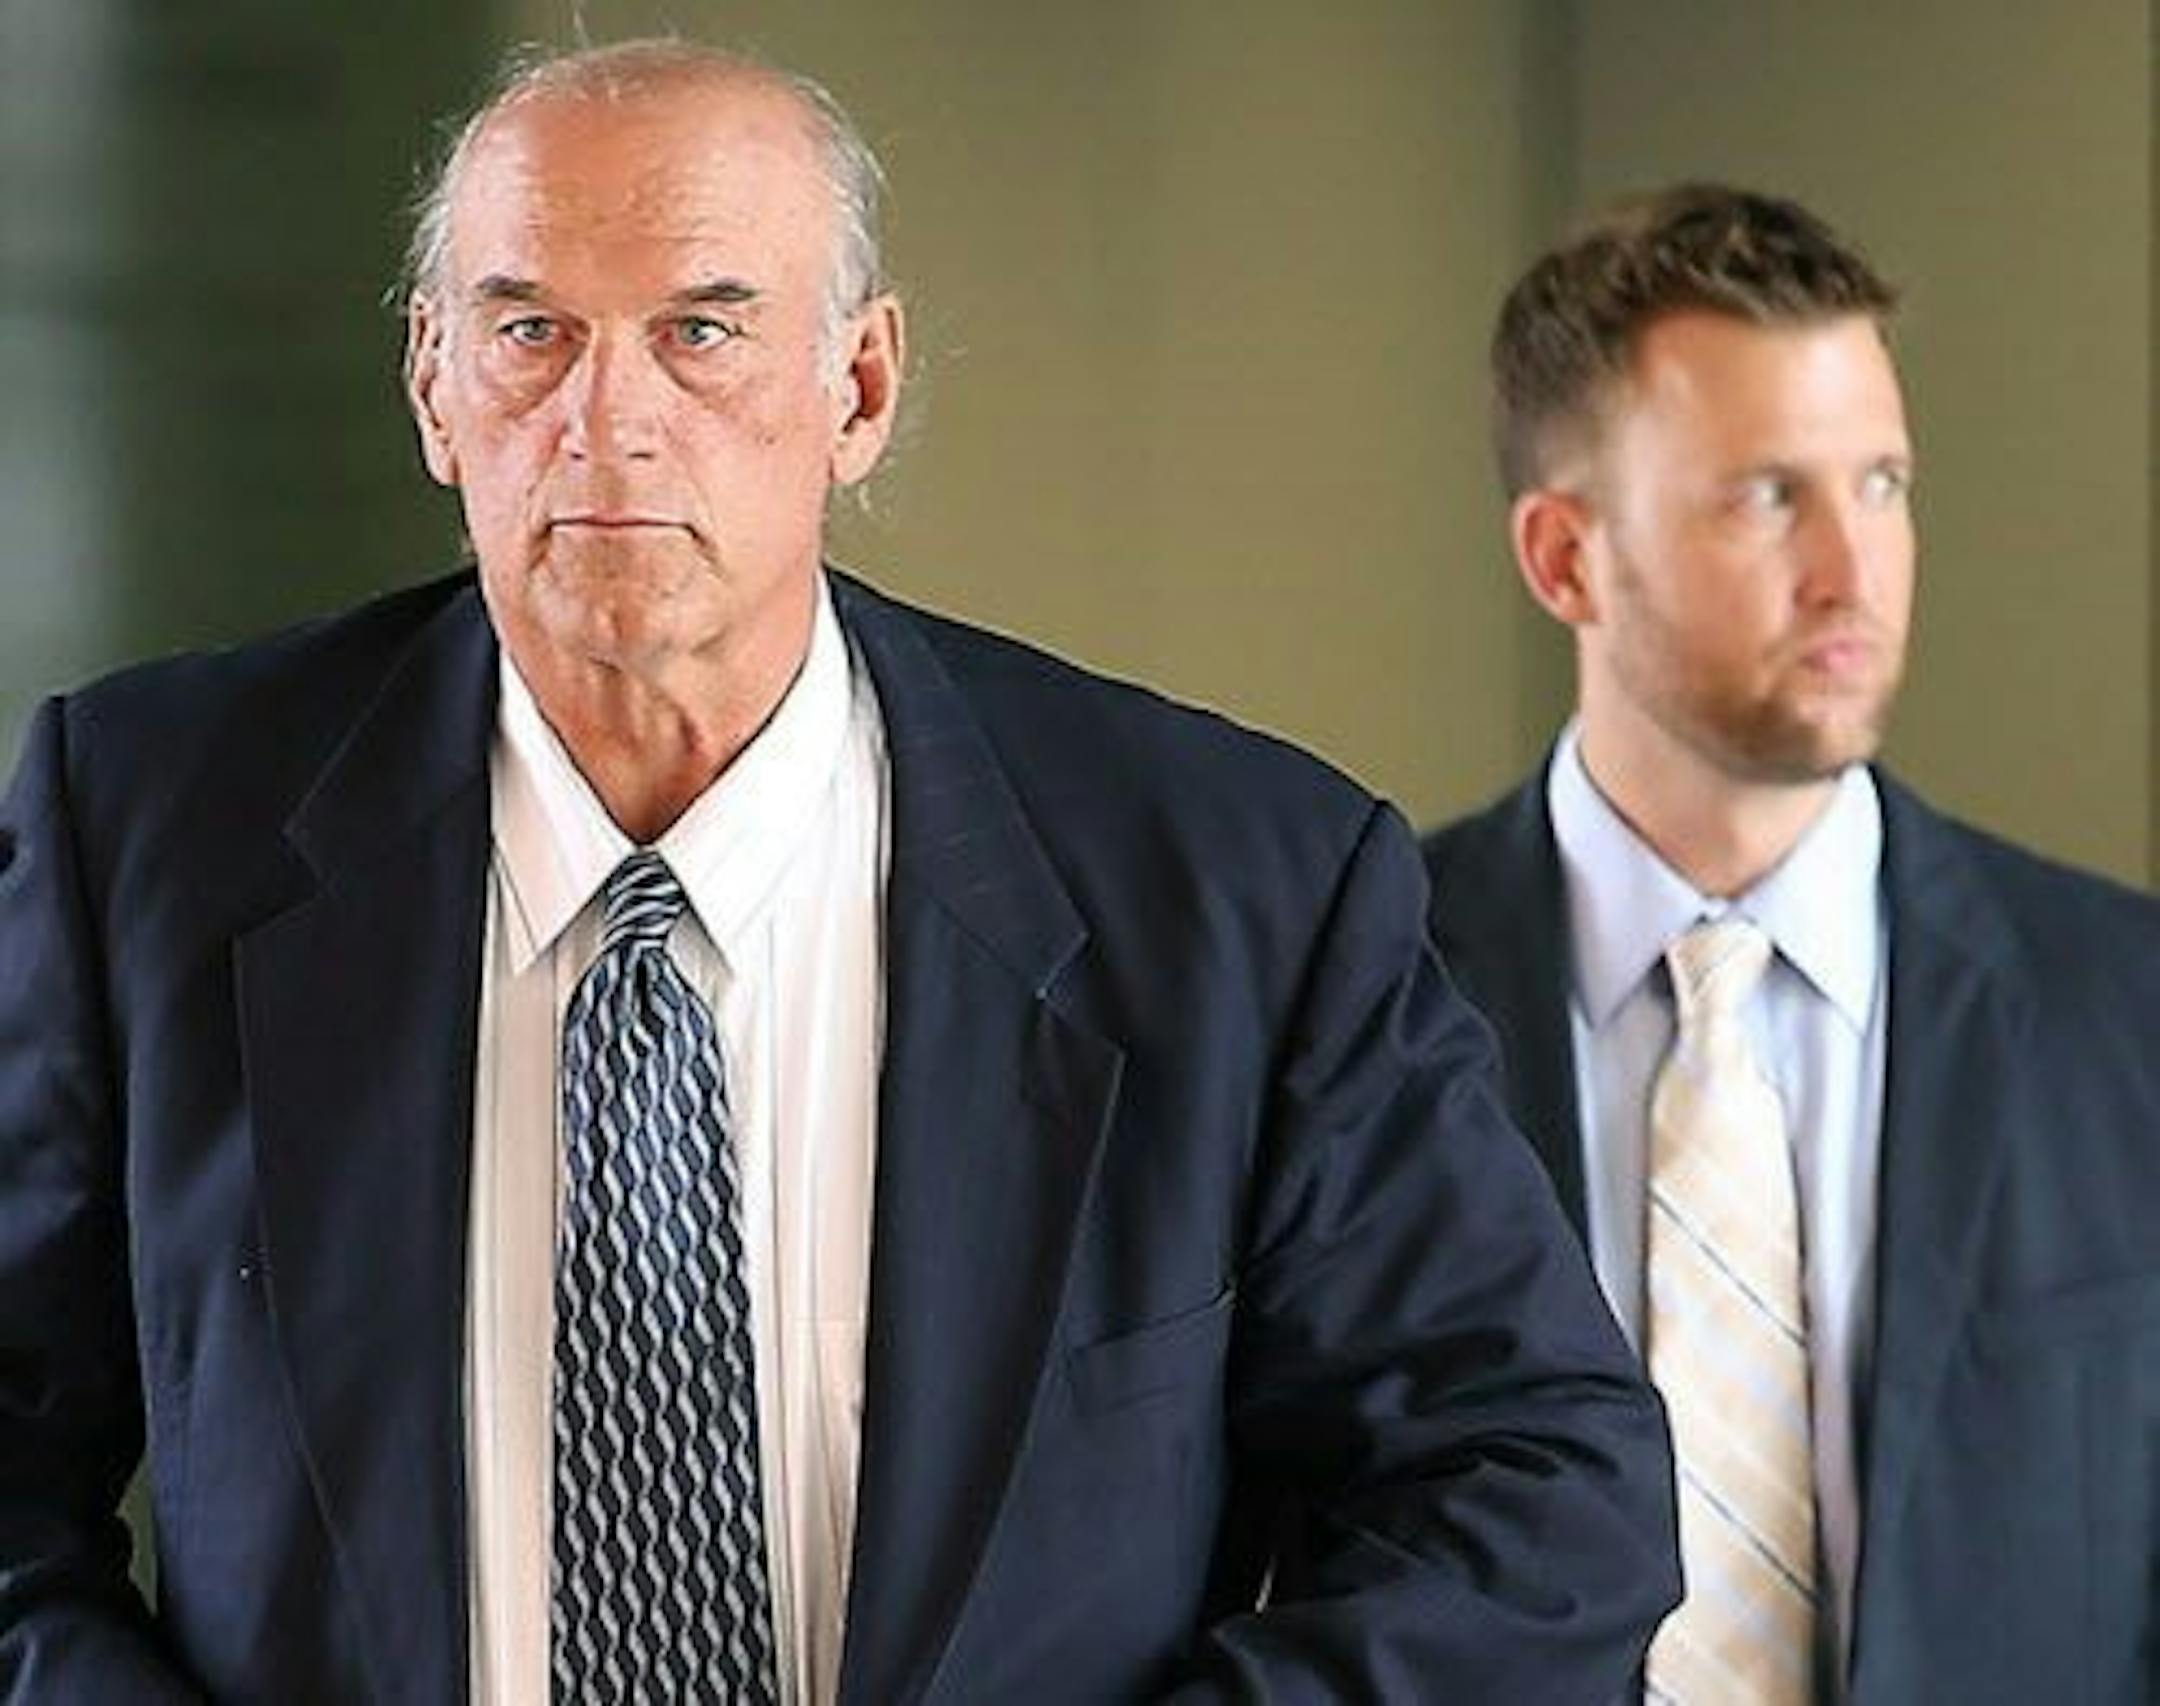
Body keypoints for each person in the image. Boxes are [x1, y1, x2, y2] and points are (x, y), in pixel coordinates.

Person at [0, 40, 1679, 1702]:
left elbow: (1536, 1497)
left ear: (858, 389)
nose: (608, 421)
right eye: (530, 333)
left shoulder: (1243, 885)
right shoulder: (143, 828)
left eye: (703, 332)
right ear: (435, 387)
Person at [1423, 182, 2160, 1705]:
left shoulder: (2127, 1008)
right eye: (1768, 496)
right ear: (1566, 558)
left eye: (1881, 483)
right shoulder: (1356, 994)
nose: (1854, 569)